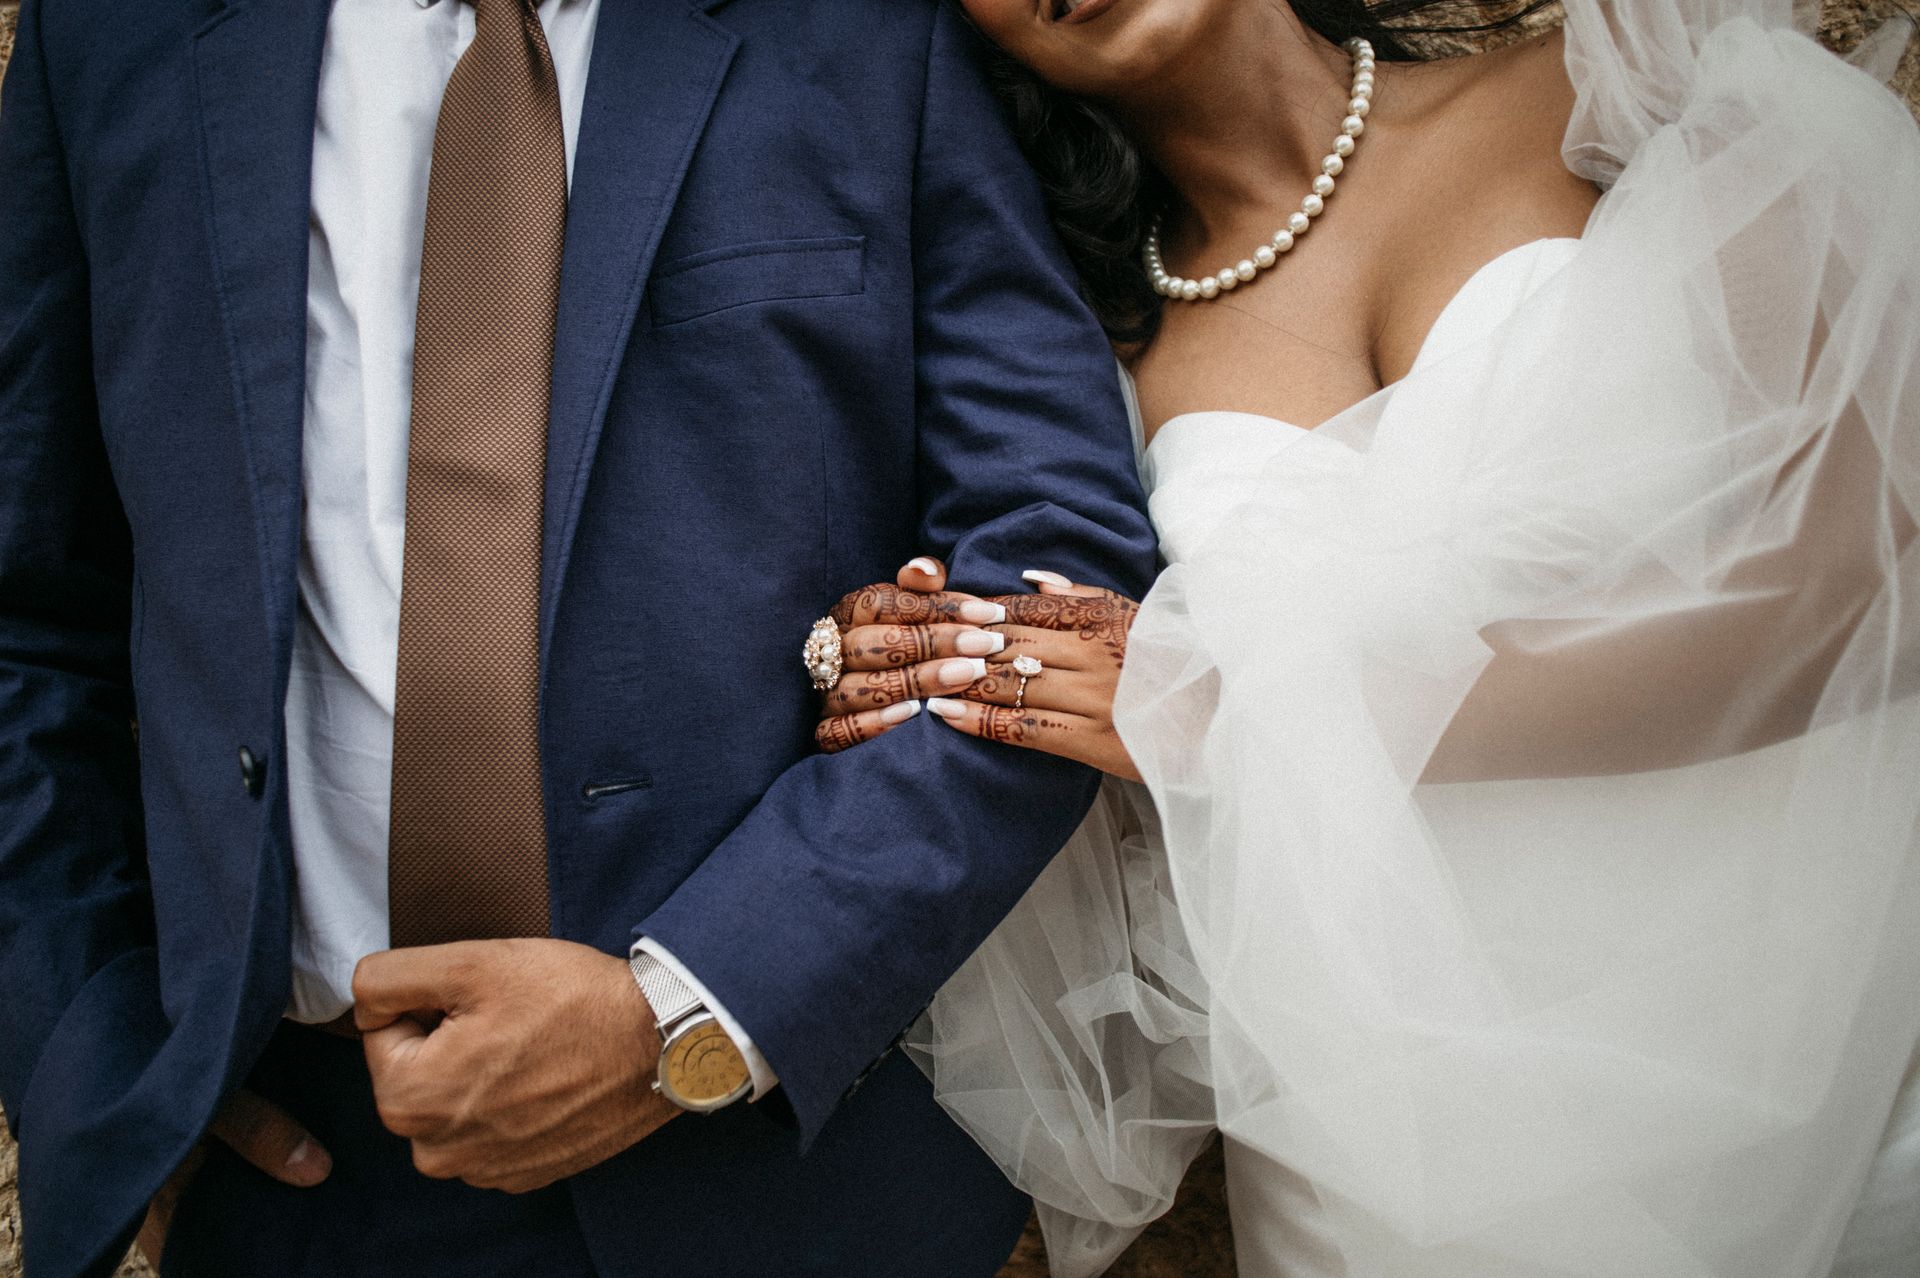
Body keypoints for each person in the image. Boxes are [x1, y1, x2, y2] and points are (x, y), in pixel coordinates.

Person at [0, 0, 1159, 1274]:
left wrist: (697, 1007)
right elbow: (28, 617)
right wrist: (94, 1067)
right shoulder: (112, 36)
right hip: (301, 1176)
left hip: (785, 1165)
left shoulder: (873, 30)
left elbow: (1054, 556)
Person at [811, 0, 1920, 1274]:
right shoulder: (1078, 363)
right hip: (1393, 1142)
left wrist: (1241, 707)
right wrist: (941, 660)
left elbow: (1870, 571)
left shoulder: (1624, 85)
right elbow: (1135, 779)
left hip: (1827, 1027)